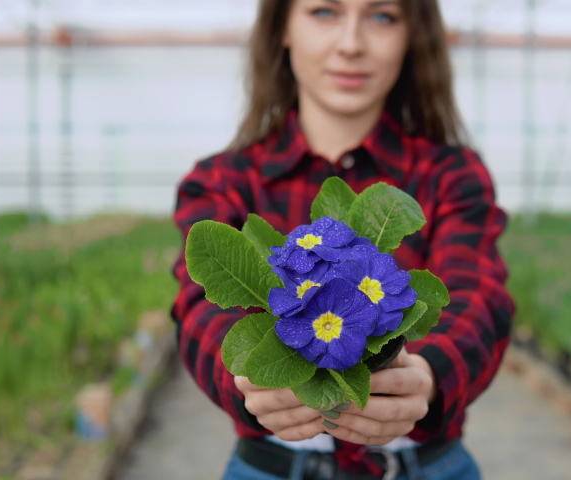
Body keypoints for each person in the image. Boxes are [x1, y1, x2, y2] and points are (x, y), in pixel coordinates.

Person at [170, 0, 515, 478]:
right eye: (324, 12)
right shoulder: (223, 181)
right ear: (283, 28)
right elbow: (197, 308)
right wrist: (248, 387)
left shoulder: (451, 175)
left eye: (382, 16)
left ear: (413, 36)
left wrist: (429, 377)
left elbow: (479, 296)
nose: (351, 45)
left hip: (423, 461)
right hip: (274, 463)